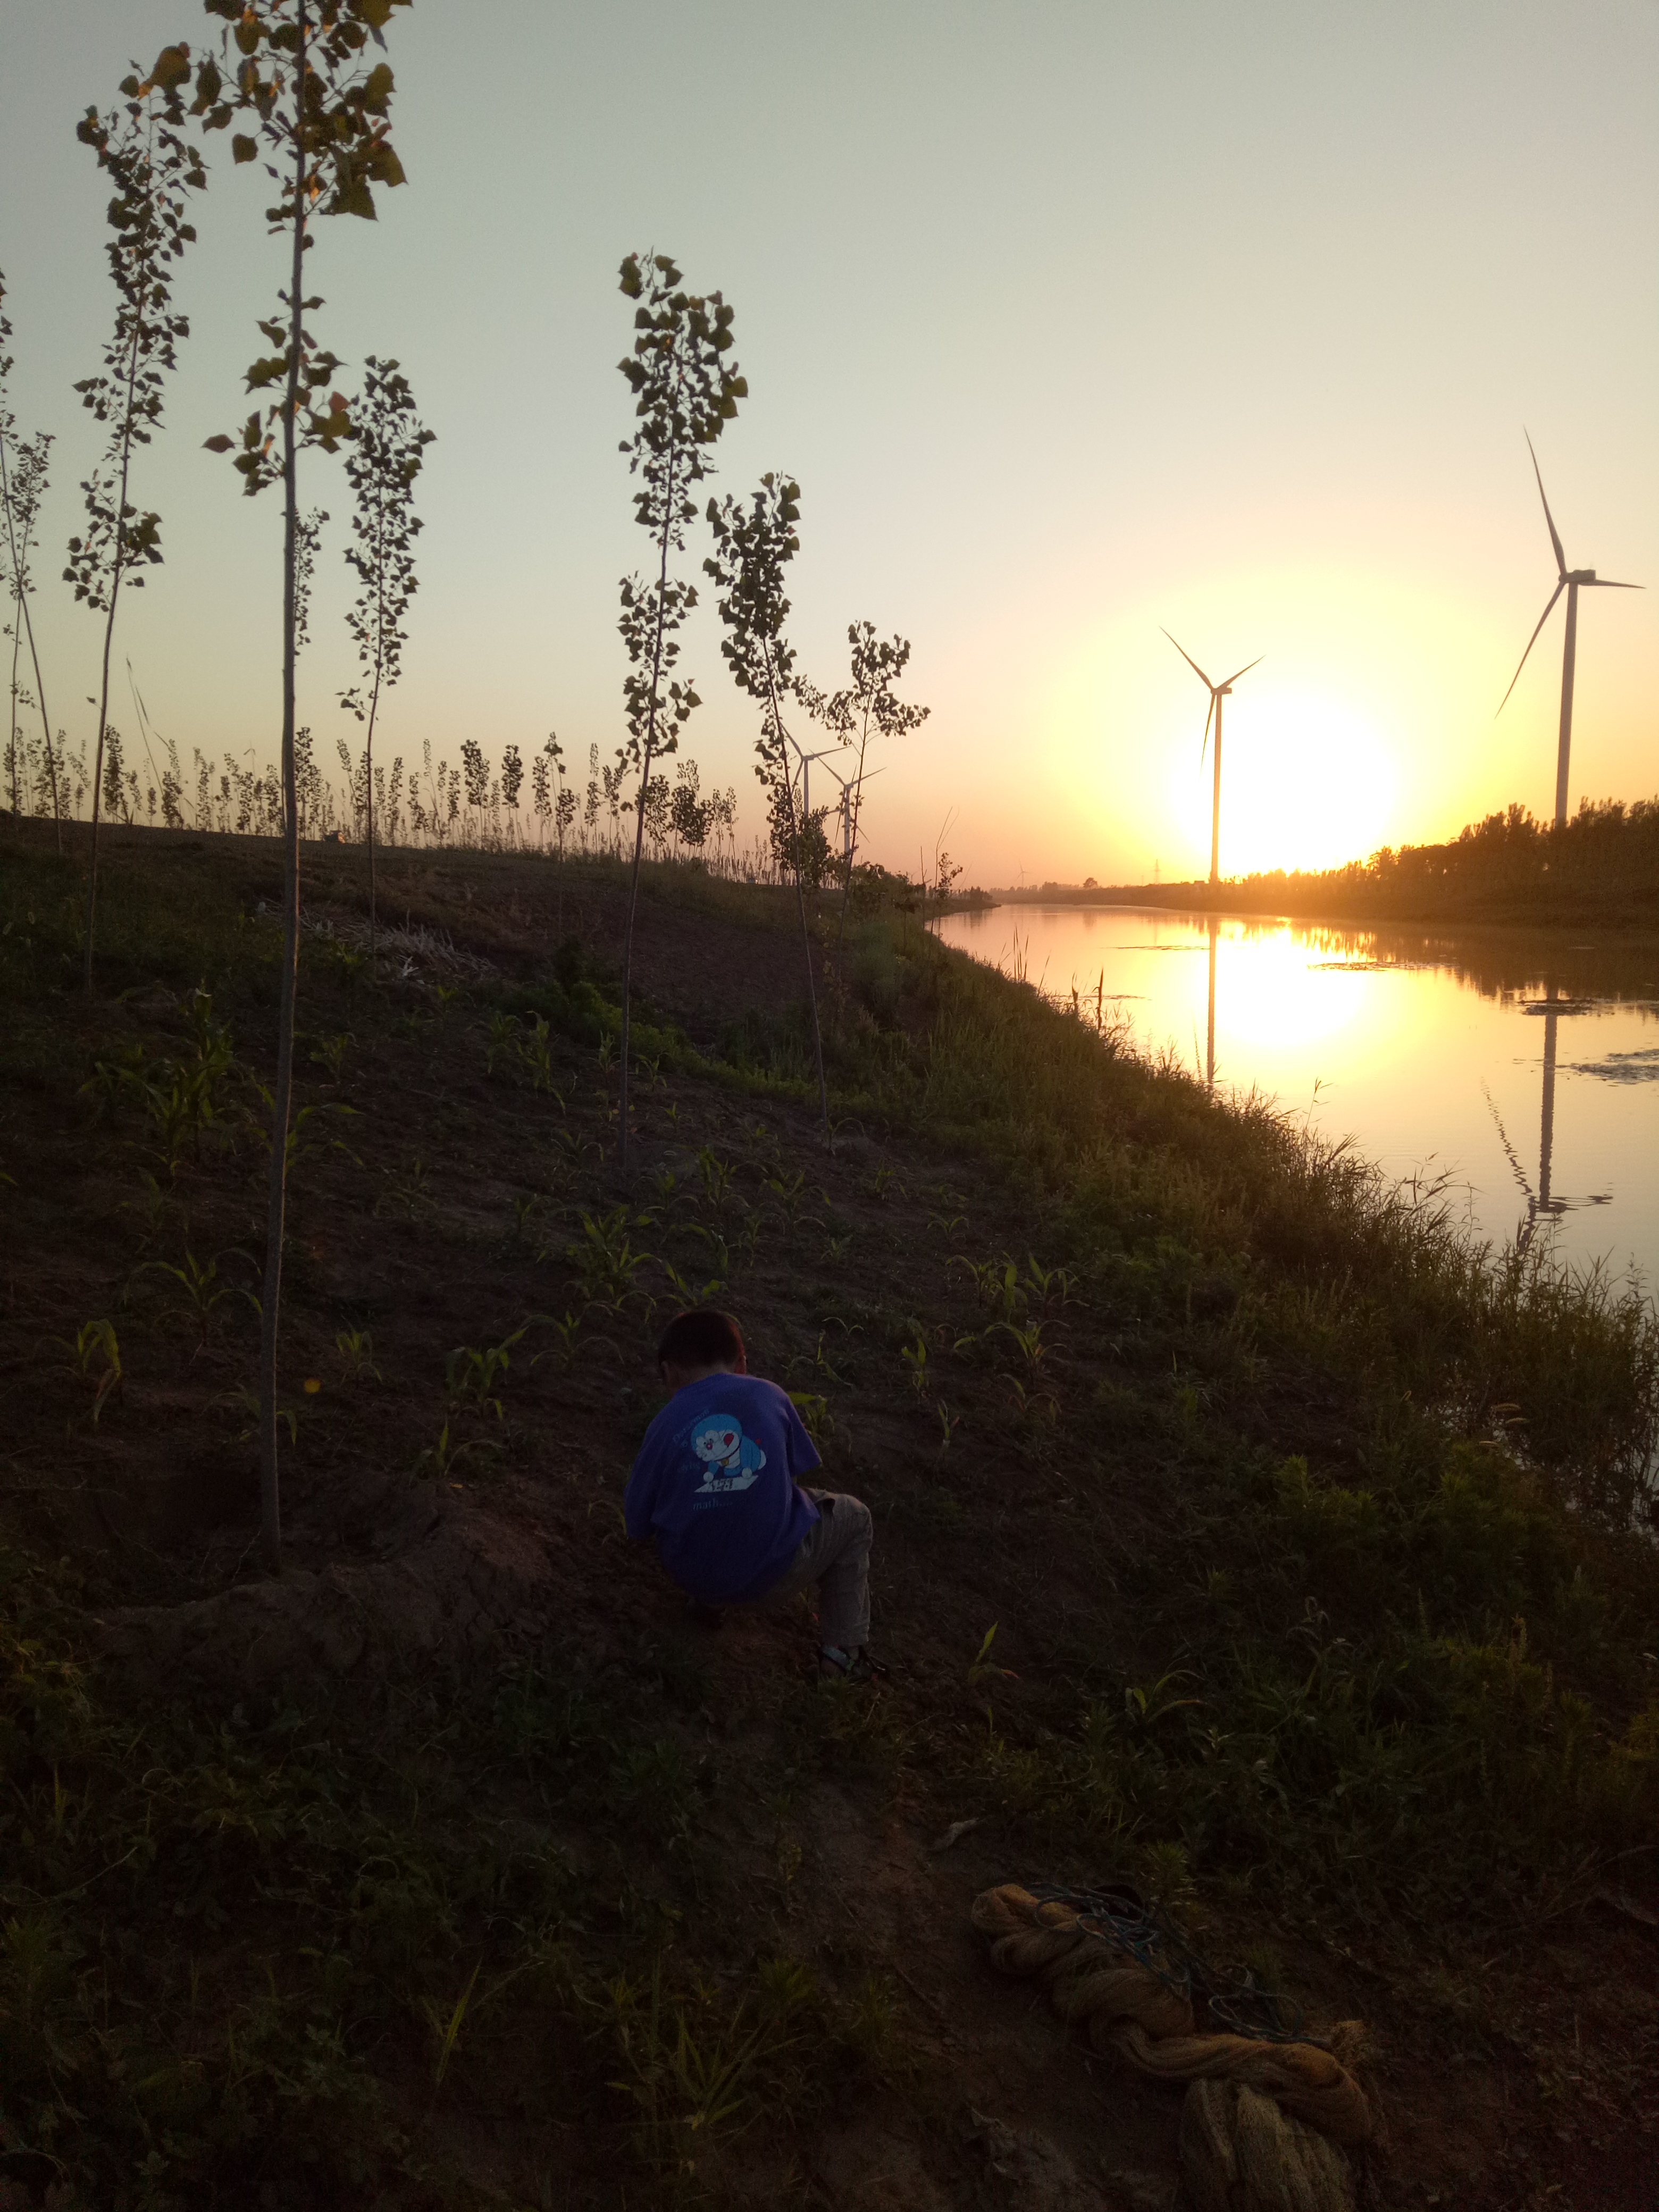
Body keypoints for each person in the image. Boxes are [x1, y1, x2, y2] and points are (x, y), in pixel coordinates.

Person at [625, 1308, 884, 1683]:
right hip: (773, 1575)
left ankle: (708, 1604)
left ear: (669, 1372)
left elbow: (636, 1523)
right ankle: (842, 1655)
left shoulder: (664, 1423)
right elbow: (788, 1476)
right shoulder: (771, 1395)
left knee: (710, 1509)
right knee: (854, 1516)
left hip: (690, 1573)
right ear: (742, 1363)